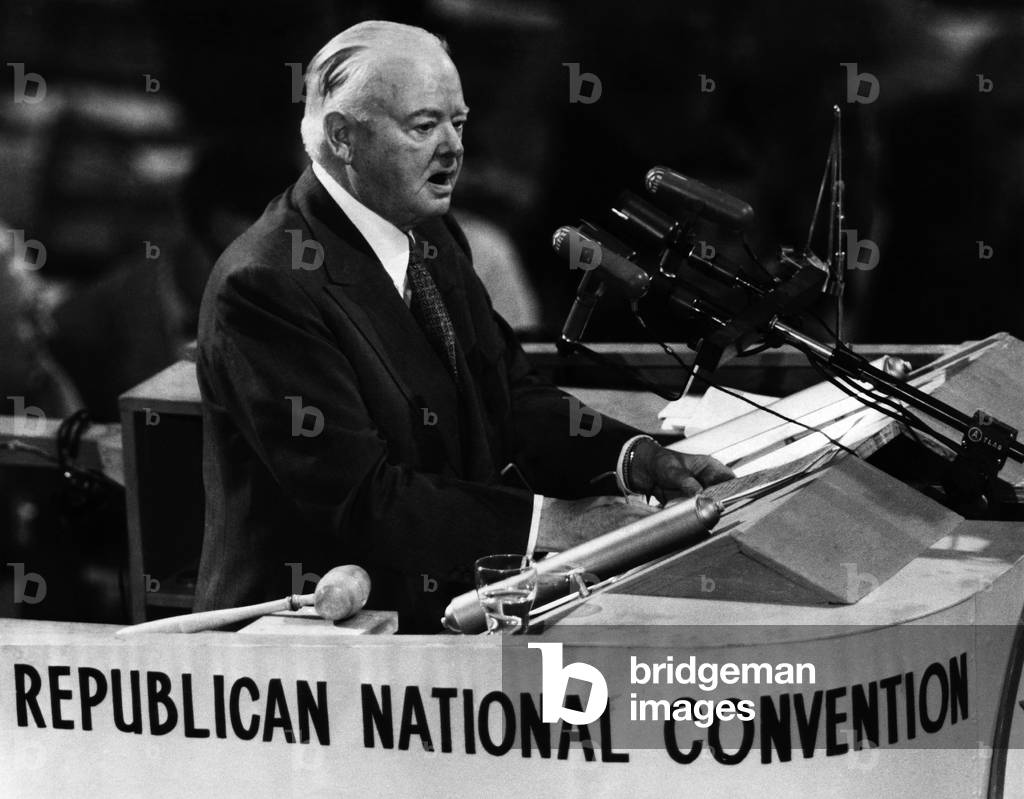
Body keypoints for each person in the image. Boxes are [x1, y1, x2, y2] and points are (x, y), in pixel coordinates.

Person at [193, 20, 732, 632]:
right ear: (343, 137)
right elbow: (364, 500)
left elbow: (510, 396)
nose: (453, 147)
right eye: (424, 127)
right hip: (305, 650)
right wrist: (555, 525)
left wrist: (637, 459)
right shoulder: (263, 285)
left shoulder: (432, 234)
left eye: (459, 123)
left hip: (441, 619)